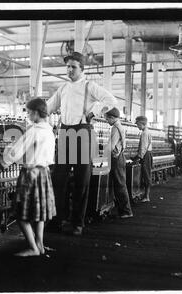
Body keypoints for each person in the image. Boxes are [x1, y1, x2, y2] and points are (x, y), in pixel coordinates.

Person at [46, 51, 119, 236]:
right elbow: (48, 107)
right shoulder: (62, 88)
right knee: (59, 179)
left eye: (73, 67)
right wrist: (34, 110)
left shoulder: (89, 86)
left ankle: (77, 222)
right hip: (64, 133)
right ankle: (57, 220)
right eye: (68, 66)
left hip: (83, 133)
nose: (69, 70)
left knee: (81, 180)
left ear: (82, 69)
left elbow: (111, 100)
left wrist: (93, 111)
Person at [1, 98, 56, 257]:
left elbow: (16, 152)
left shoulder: (34, 131)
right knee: (39, 214)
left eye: (29, 112)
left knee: (21, 214)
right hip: (44, 173)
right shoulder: (49, 131)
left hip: (31, 174)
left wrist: (4, 163)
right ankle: (40, 245)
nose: (28, 115)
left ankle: (33, 248)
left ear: (36, 112)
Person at [104, 107, 134, 218]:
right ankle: (122, 210)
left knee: (120, 184)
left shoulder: (116, 128)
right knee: (119, 184)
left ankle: (127, 211)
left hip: (116, 159)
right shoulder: (120, 126)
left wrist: (100, 154)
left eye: (107, 119)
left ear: (112, 118)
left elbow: (111, 146)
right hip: (119, 157)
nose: (107, 121)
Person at [132, 116, 153, 202]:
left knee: (146, 175)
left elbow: (143, 148)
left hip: (145, 156)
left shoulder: (144, 133)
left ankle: (146, 196)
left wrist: (138, 157)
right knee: (146, 175)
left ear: (142, 124)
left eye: (138, 124)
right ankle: (145, 195)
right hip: (148, 154)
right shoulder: (147, 132)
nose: (137, 126)